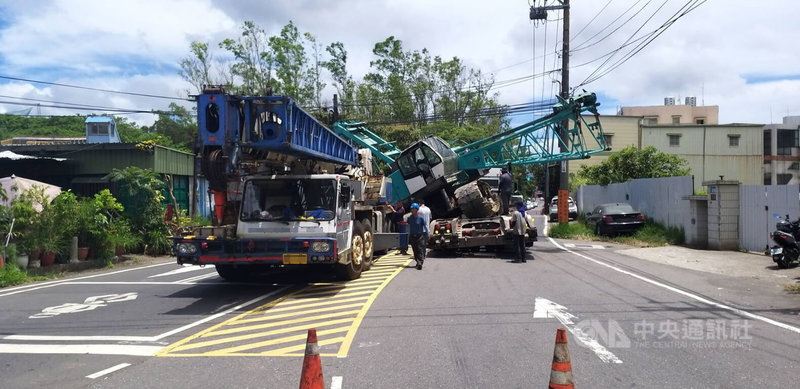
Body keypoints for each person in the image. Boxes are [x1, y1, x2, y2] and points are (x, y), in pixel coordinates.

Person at [407, 203, 429, 270]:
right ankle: (417, 261)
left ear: (416, 210)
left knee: (420, 249)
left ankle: (420, 263)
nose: (412, 210)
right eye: (411, 209)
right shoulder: (409, 218)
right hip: (412, 236)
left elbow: (425, 226)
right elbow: (407, 227)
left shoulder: (420, 218)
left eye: (413, 209)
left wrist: (427, 234)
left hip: (420, 236)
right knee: (415, 250)